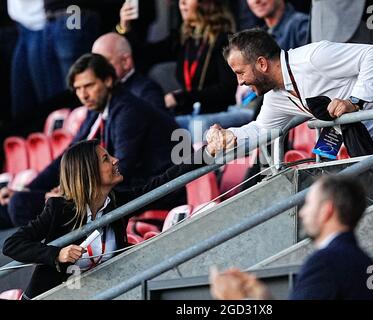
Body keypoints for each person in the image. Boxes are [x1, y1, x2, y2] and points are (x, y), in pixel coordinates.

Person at [3, 139, 216, 299]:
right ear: (89, 173)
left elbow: (165, 182)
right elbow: (11, 245)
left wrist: (207, 152)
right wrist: (56, 253)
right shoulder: (59, 209)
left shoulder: (119, 202)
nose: (116, 160)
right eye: (106, 159)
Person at [0, 53, 182, 227]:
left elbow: (121, 169)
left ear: (108, 80)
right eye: (78, 89)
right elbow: (69, 156)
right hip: (122, 187)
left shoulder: (128, 110)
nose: (83, 95)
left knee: (21, 205)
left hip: (153, 191)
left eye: (88, 86)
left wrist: (70, 192)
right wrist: (29, 189)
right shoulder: (97, 109)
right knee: (15, 201)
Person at [206, 28, 373, 158]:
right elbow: (261, 129)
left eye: (240, 72)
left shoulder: (313, 57)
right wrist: (231, 136)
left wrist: (355, 102)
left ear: (261, 63)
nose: (239, 82)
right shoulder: (275, 97)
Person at [210, 175, 373, 300]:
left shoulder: (325, 263)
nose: (302, 213)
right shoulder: (368, 263)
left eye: (308, 204)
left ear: (327, 210)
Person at [119, 0, 253, 142]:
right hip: (191, 117)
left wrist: (181, 98)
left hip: (215, 119)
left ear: (207, 3)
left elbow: (226, 90)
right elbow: (144, 55)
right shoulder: (184, 39)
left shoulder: (224, 41)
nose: (182, 2)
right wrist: (125, 28)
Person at [92, 32, 166, 112]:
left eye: (103, 62)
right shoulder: (99, 93)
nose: (96, 69)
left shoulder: (146, 92)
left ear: (126, 62)